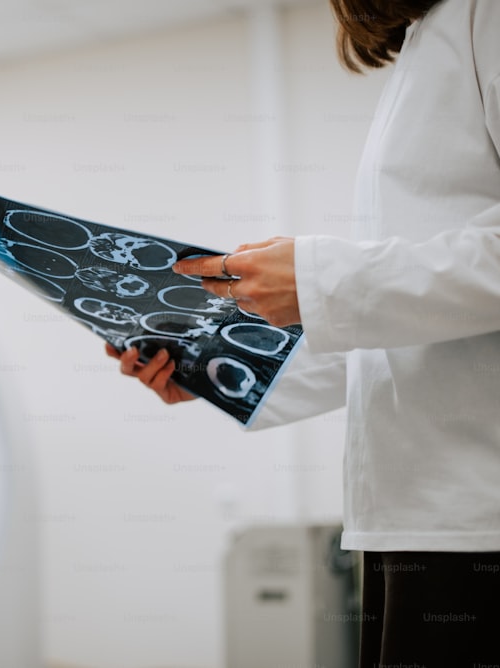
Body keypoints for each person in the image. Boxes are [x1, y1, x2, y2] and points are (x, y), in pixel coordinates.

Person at [107, 1, 500, 666]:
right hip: (416, 514)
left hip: (477, 514)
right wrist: (218, 365)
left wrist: (322, 278)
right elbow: (414, 328)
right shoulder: (425, 46)